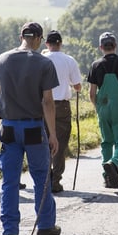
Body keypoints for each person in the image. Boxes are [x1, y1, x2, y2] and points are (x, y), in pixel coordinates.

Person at [0, 22, 60, 235]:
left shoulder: (2, 60)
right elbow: (48, 102)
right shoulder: (43, 63)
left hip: (8, 127)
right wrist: (53, 135)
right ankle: (45, 226)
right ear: (38, 38)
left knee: (9, 182)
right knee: (40, 176)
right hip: (33, 128)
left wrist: (9, 106)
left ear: (21, 36)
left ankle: (10, 233)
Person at [87, 32, 118, 188]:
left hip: (103, 107)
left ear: (101, 47)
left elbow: (91, 93)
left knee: (106, 142)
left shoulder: (95, 65)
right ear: (115, 46)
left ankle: (107, 178)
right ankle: (114, 163)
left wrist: (98, 107)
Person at [42, 30, 82, 193]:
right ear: (60, 44)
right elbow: (78, 85)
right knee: (61, 142)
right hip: (62, 106)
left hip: (43, 105)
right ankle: (55, 180)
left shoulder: (41, 60)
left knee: (44, 141)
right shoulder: (69, 60)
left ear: (47, 44)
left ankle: (45, 177)